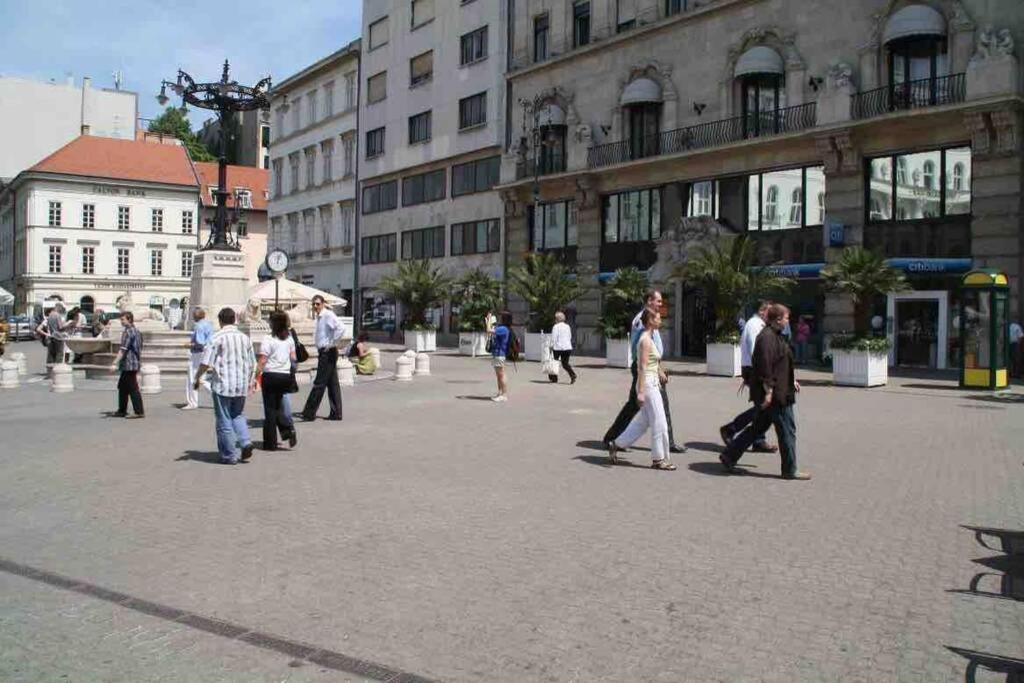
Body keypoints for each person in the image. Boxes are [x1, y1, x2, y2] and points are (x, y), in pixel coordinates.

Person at [720, 304, 810, 480]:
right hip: (777, 395)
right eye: (786, 318)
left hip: (778, 390)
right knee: (787, 430)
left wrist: (792, 380)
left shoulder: (774, 335)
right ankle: (790, 469)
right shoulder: (766, 338)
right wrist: (769, 392)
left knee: (757, 428)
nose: (787, 321)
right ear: (777, 319)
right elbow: (764, 367)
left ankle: (729, 456)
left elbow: (779, 364)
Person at [602, 290, 685, 453]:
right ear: (649, 300)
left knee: (637, 406)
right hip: (647, 368)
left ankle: (614, 439)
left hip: (650, 367)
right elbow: (642, 348)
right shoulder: (643, 320)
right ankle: (613, 439)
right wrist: (658, 369)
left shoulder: (650, 318)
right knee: (645, 406)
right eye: (658, 301)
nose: (661, 305)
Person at [609, 309, 675, 470]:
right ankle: (659, 459)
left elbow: (652, 362)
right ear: (650, 321)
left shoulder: (649, 338)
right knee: (659, 422)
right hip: (649, 385)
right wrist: (640, 392)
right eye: (658, 318)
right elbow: (642, 367)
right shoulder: (645, 340)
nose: (661, 320)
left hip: (653, 382)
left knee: (642, 422)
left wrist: (660, 372)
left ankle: (616, 443)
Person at [194, 308, 256, 465]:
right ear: (234, 319)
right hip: (240, 384)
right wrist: (250, 380)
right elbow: (252, 363)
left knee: (224, 419)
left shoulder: (217, 338)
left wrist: (197, 377)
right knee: (238, 415)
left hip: (223, 384)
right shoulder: (244, 338)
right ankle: (245, 441)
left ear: (220, 321)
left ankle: (229, 455)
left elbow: (206, 362)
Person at [719, 302, 776, 453]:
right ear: (763, 311)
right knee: (763, 405)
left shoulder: (759, 324)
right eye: (770, 313)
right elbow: (755, 350)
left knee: (763, 405)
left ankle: (758, 439)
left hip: (755, 369)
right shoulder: (754, 325)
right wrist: (764, 373)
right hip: (754, 370)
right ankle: (731, 429)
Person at [256, 311, 298, 451]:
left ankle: (270, 443)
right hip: (284, 376)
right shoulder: (289, 338)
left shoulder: (268, 339)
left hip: (270, 376)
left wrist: (255, 375)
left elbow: (262, 360)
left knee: (270, 410)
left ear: (273, 323)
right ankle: (287, 430)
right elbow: (293, 359)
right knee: (278, 406)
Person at [300, 295, 343, 421]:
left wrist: (332, 344)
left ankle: (309, 412)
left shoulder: (327, 315)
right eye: (313, 304)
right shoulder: (319, 318)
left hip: (327, 352)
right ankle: (336, 413)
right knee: (332, 383)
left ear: (323, 304)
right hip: (325, 352)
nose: (315, 306)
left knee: (319, 383)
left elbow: (341, 328)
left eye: (317, 304)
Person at [110, 311, 144, 419]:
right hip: (133, 362)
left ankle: (139, 411)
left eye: (123, 319)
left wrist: (114, 362)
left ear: (129, 319)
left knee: (133, 388)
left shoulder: (129, 332)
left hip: (129, 363)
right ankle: (122, 410)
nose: (121, 321)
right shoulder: (137, 331)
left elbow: (123, 350)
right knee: (123, 387)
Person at [183, 308, 214, 410]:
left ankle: (192, 402)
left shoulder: (199, 326)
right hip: (206, 353)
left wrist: (189, 344)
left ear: (196, 316)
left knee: (193, 378)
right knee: (200, 378)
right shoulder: (209, 324)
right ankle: (216, 394)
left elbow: (200, 343)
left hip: (197, 354)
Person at [490, 311, 513, 402]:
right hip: (498, 353)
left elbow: (489, 330)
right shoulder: (503, 328)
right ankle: (500, 393)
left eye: (501, 317)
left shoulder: (503, 328)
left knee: (501, 374)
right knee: (499, 375)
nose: (499, 319)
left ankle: (504, 394)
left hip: (500, 354)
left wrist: (488, 321)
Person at [550, 311, 577, 384]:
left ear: (557, 319)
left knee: (554, 363)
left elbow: (554, 338)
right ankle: (572, 374)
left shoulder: (555, 327)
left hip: (558, 347)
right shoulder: (567, 326)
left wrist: (551, 346)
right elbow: (570, 336)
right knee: (565, 364)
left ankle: (554, 378)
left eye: (555, 318)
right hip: (567, 347)